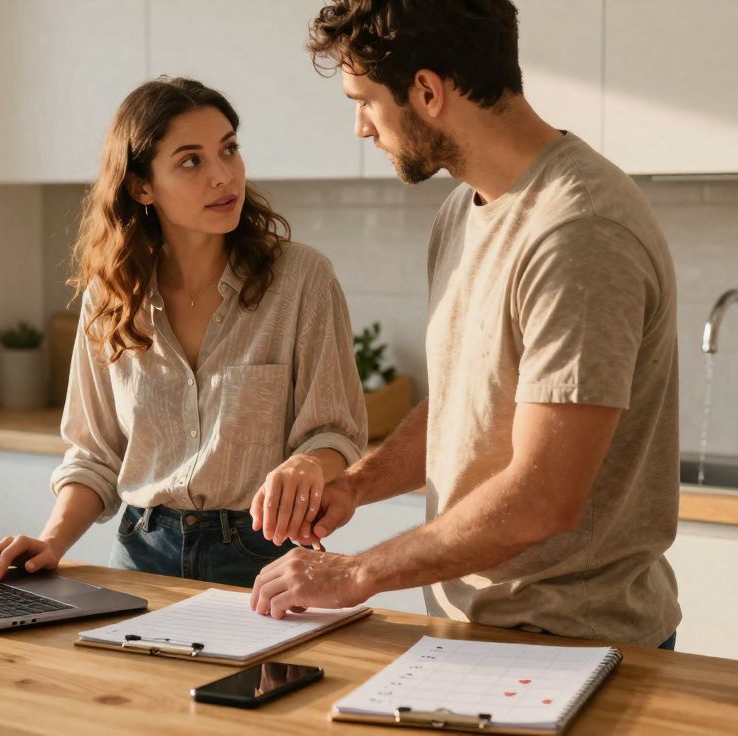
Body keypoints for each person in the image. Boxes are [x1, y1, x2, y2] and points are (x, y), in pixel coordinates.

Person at [250, 0, 682, 650]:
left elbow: (544, 496)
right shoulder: (463, 213)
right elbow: (467, 406)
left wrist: (358, 573)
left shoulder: (580, 232)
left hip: (574, 644)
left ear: (427, 91)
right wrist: (355, 487)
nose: (360, 127)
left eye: (364, 100)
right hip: (474, 630)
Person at [0, 77, 367, 588]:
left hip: (262, 556)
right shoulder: (111, 295)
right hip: (140, 552)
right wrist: (51, 542)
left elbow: (337, 432)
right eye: (192, 160)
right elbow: (95, 454)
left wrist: (309, 463)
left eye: (229, 150)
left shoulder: (302, 280)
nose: (224, 176)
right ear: (141, 186)